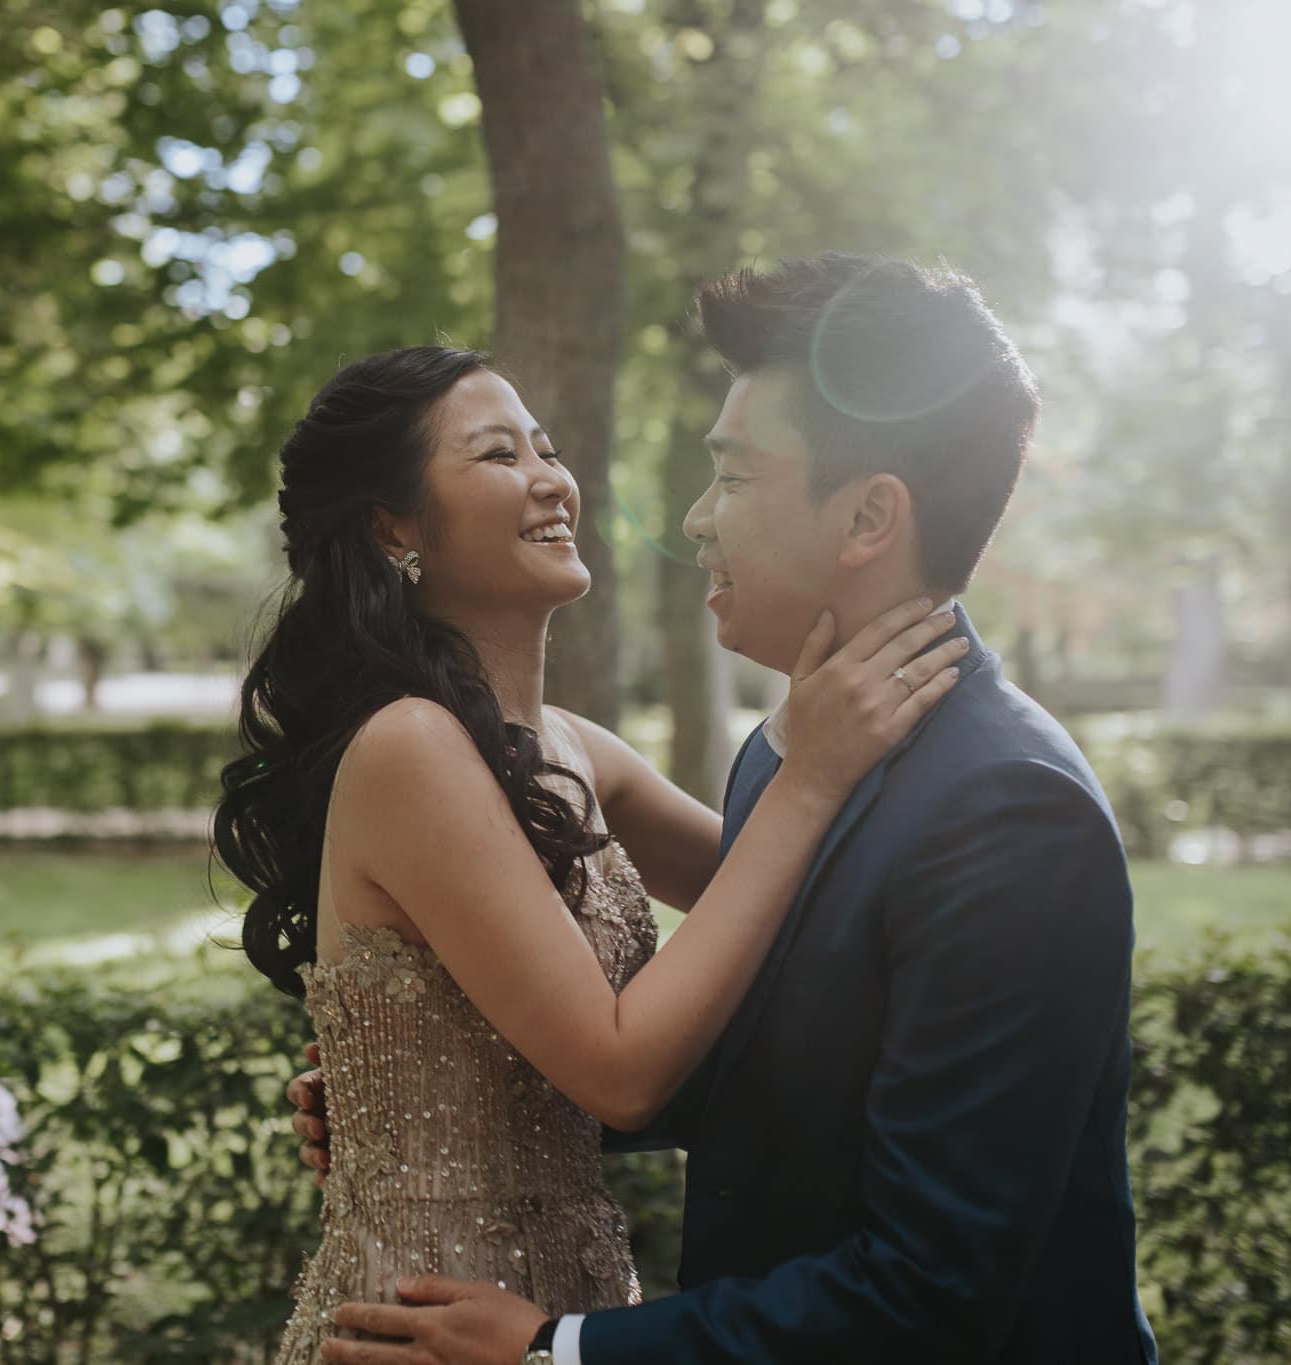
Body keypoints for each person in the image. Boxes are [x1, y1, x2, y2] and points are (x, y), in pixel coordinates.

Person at [292, 256, 1159, 1364]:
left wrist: (553, 1353)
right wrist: (423, 1088)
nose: (694, 520)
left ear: (865, 518)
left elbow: (932, 1289)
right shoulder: (790, 754)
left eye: (734, 478)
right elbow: (784, 1064)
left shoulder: (1004, 809)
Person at [212, 343, 963, 1363]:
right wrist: (812, 774)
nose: (549, 478)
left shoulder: (572, 750)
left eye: (546, 448)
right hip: (424, 1324)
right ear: (393, 527)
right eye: (495, 454)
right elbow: (620, 1071)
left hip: (560, 1313)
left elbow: (798, 906)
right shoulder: (408, 748)